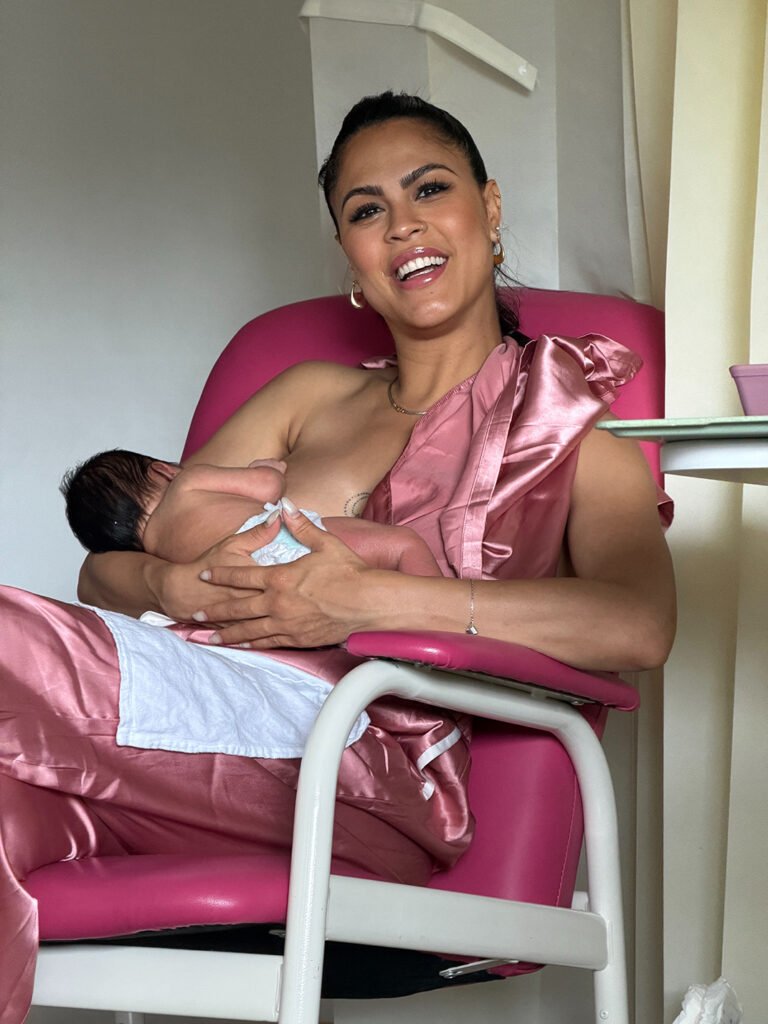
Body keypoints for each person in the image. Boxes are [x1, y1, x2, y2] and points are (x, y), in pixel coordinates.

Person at [0, 90, 676, 1023]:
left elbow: (639, 624)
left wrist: (364, 602)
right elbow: (105, 571)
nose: (402, 226)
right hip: (197, 722)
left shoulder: (577, 444)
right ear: (350, 257)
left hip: (370, 774)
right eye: (366, 210)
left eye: (429, 189)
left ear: (490, 208)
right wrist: (180, 583)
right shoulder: (305, 398)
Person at [60, 448, 441, 575]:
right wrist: (267, 468)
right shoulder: (185, 483)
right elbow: (267, 487)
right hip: (282, 539)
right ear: (162, 471)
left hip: (249, 582)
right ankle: (441, 629)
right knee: (401, 545)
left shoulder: (160, 556)